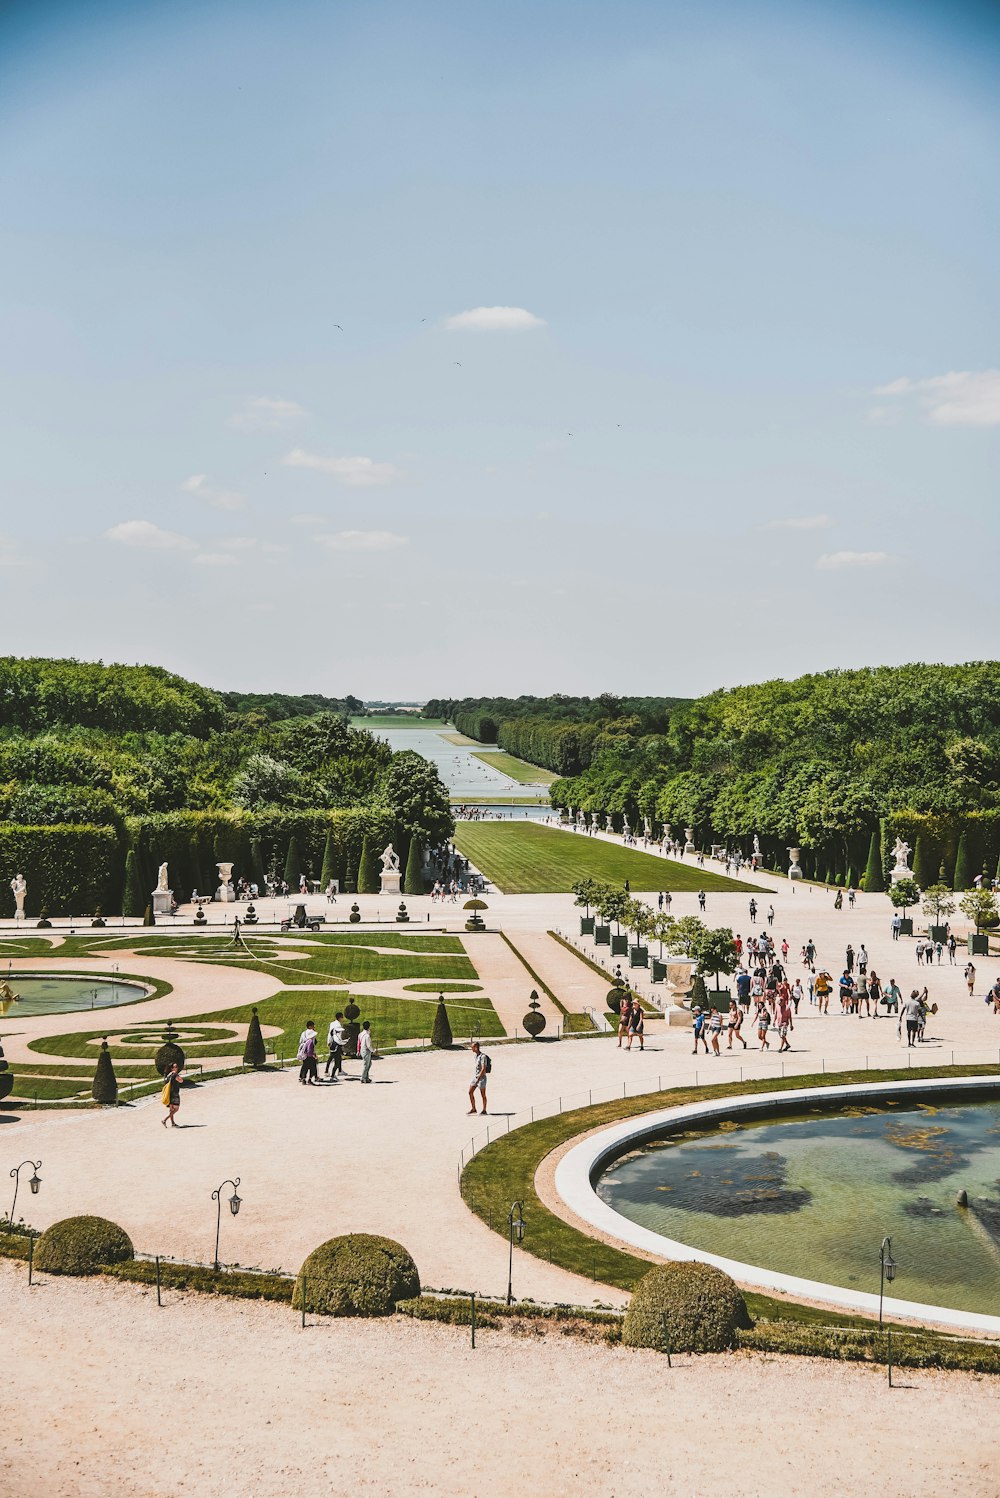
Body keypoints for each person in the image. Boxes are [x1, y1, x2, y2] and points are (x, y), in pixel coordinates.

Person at [468, 1040, 489, 1114]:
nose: (471, 1048)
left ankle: (484, 1110)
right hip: (475, 1077)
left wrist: (478, 1079)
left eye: (472, 1047)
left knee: (483, 1095)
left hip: (482, 1078)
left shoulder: (483, 1057)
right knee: (470, 1092)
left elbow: (483, 1069)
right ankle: (474, 1109)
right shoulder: (476, 1056)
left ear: (476, 1048)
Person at [161, 1060, 182, 1127]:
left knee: (171, 1109)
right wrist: (177, 1075)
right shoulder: (175, 1075)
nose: (177, 1068)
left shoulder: (168, 1075)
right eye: (175, 1067)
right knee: (176, 1109)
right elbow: (181, 1081)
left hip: (169, 1094)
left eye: (177, 1066)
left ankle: (172, 1123)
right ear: (172, 1068)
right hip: (174, 1094)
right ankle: (165, 1120)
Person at [297, 1020, 319, 1085]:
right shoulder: (311, 1034)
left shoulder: (303, 1033)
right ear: (310, 1026)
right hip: (310, 1053)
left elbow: (300, 1042)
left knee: (305, 1066)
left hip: (304, 1053)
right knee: (313, 1066)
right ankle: (310, 1078)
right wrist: (314, 1054)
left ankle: (303, 1078)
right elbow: (313, 1045)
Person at [325, 1012, 346, 1078]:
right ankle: (336, 1072)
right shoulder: (338, 1025)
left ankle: (327, 1070)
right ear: (340, 1018)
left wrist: (329, 1041)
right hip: (336, 1043)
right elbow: (338, 1036)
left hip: (331, 1041)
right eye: (342, 1017)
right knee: (337, 1058)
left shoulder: (332, 1023)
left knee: (331, 1057)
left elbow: (330, 1033)